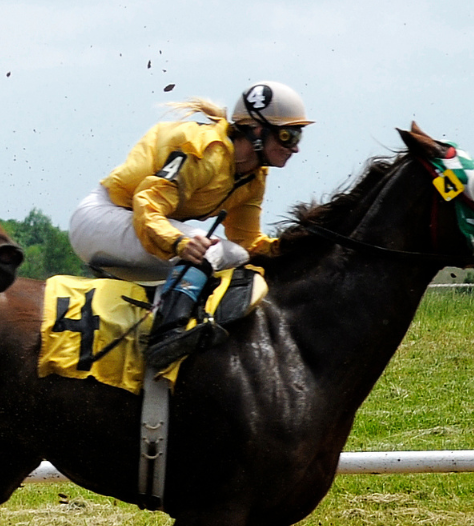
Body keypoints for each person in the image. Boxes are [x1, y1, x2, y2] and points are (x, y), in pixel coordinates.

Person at [68, 81, 315, 369]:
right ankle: (165, 337)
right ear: (258, 131)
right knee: (208, 247)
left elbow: (248, 243)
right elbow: (147, 202)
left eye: (298, 136)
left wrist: (295, 247)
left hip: (139, 225)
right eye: (288, 135)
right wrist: (180, 243)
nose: (294, 148)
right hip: (102, 217)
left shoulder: (253, 177)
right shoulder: (207, 152)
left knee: (237, 256)